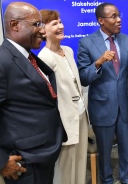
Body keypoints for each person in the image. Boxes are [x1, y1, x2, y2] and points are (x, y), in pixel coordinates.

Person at [0, 2, 66, 184]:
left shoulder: (29, 57)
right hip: (24, 163)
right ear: (15, 25)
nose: (42, 31)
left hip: (42, 155)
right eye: (36, 24)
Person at [77, 2, 128, 184]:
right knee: (105, 149)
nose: (119, 19)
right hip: (101, 107)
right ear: (101, 20)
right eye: (113, 16)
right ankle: (106, 180)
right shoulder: (86, 43)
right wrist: (98, 62)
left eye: (119, 15)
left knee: (126, 147)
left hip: (124, 104)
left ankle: (126, 178)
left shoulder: (127, 40)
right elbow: (83, 77)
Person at [37, 10, 89, 184]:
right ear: (43, 30)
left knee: (81, 160)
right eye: (54, 24)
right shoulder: (44, 58)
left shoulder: (68, 51)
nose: (61, 26)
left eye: (60, 22)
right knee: (66, 166)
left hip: (80, 114)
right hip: (64, 119)